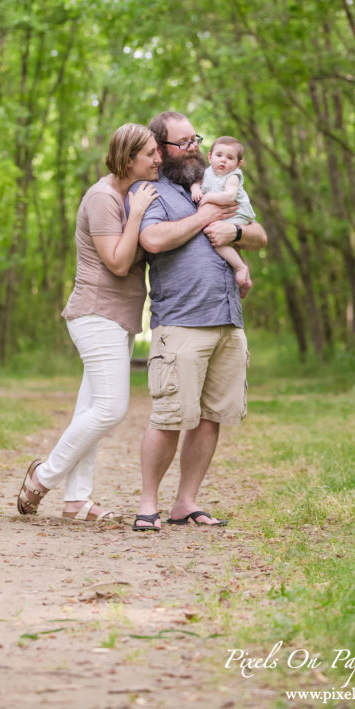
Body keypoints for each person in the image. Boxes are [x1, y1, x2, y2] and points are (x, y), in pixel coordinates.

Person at [16, 123, 160, 522]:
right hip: (96, 313)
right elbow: (115, 262)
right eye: (150, 153)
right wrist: (138, 215)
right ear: (128, 159)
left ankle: (76, 499)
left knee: (90, 410)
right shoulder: (102, 198)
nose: (158, 158)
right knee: (111, 409)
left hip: (118, 316)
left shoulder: (128, 194)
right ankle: (42, 477)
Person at [131, 112, 267, 532]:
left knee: (211, 417)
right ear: (161, 149)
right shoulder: (149, 191)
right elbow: (152, 240)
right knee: (170, 416)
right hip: (182, 320)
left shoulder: (220, 183)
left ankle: (185, 502)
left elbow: (259, 233)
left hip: (227, 317)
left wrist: (236, 235)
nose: (193, 148)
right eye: (183, 142)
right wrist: (207, 218)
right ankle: (147, 504)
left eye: (196, 139)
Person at [190, 135, 255, 297]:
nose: (223, 161)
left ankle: (241, 268)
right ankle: (240, 274)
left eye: (230, 158)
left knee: (216, 236)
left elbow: (229, 197)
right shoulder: (208, 172)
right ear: (210, 157)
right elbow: (198, 183)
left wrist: (208, 198)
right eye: (219, 156)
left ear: (238, 164)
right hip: (224, 212)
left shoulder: (232, 176)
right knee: (224, 239)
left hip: (237, 211)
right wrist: (195, 189)